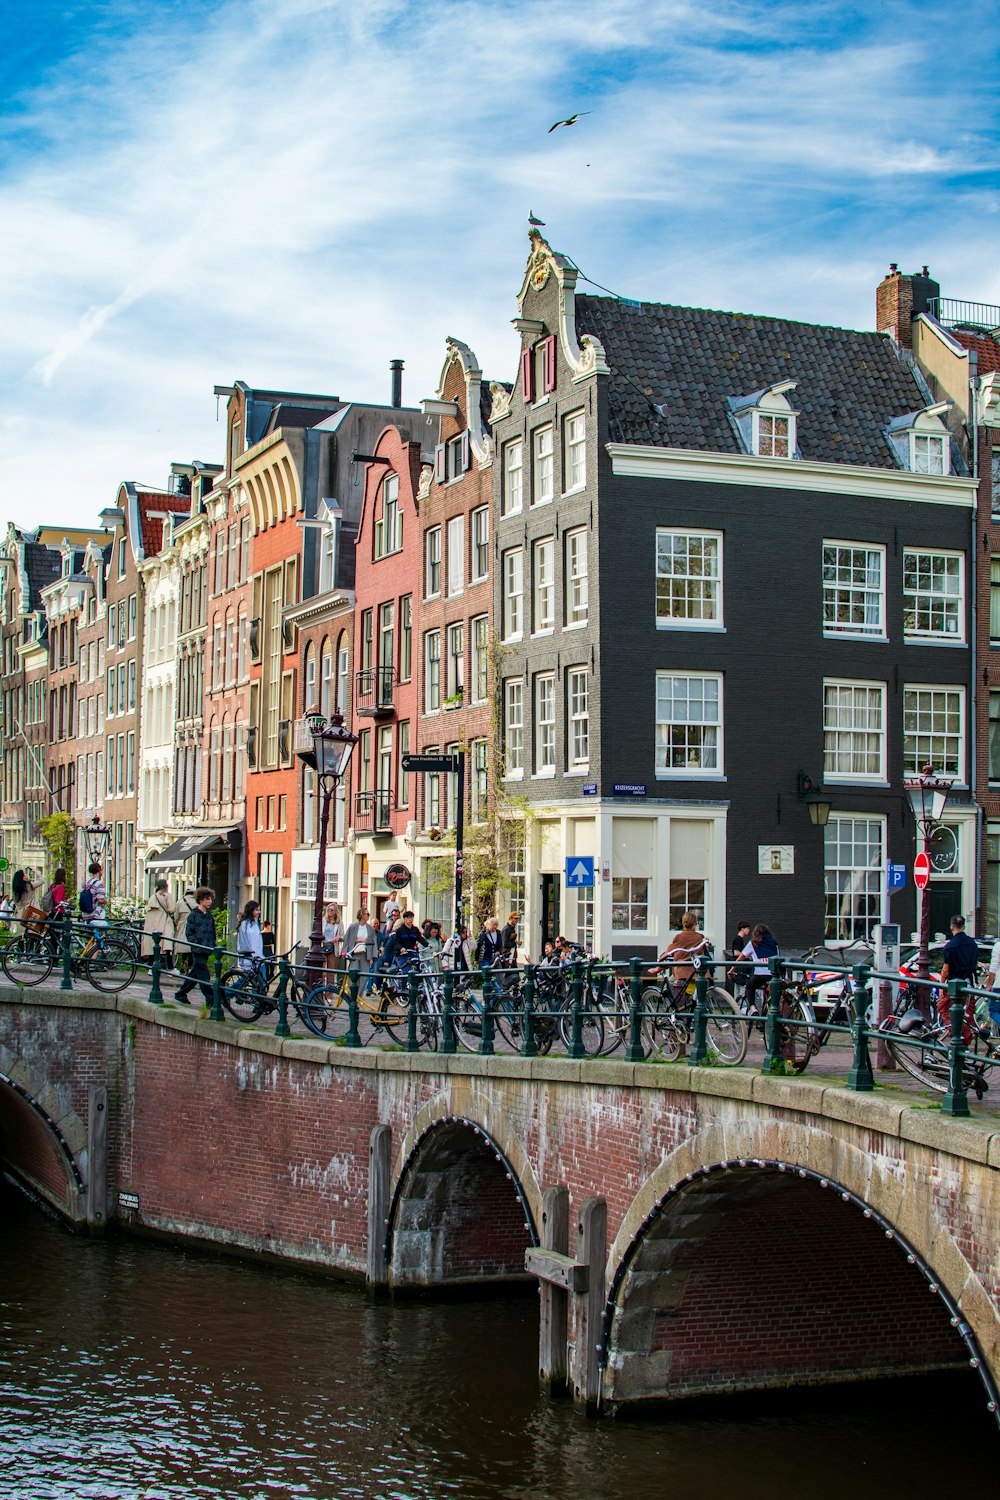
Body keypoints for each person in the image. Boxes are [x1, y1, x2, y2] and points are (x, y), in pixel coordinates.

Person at [938, 914, 981, 1032]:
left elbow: (946, 969)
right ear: (964, 927)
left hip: (954, 985)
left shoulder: (950, 946)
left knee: (945, 1009)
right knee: (967, 1013)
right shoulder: (972, 944)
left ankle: (957, 1036)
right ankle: (965, 1038)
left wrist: (941, 986)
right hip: (969, 984)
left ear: (952, 927)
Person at [174, 887, 216, 1006]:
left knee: (195, 973)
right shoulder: (194, 914)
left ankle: (181, 993)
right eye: (207, 899)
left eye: (211, 899)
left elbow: (212, 931)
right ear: (201, 900)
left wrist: (213, 944)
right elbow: (189, 932)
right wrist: (195, 943)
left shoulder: (209, 915)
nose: (210, 902)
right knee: (204, 974)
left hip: (207, 948)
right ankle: (211, 999)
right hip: (198, 949)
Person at [657, 911, 709, 999]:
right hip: (698, 972)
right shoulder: (700, 937)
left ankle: (671, 1007)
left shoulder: (679, 937)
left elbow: (669, 951)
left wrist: (659, 963)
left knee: (668, 986)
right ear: (695, 923)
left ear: (683, 923)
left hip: (682, 973)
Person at [737, 923, 779, 1011]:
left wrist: (731, 970)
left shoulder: (753, 943)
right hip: (774, 976)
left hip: (760, 976)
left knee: (749, 987)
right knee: (770, 996)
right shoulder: (774, 943)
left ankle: (753, 1007)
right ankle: (767, 1014)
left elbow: (740, 958)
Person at [143, 880, 180, 965]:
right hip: (164, 922)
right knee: (167, 944)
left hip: (153, 923)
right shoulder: (168, 896)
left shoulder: (153, 896)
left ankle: (151, 966)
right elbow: (171, 910)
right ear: (166, 886)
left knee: (154, 944)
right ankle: (170, 967)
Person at [343, 907, 378, 982]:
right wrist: (344, 952)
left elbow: (373, 942)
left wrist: (372, 957)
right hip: (354, 953)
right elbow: (347, 939)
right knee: (353, 973)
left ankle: (360, 993)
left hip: (365, 954)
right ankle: (351, 992)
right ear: (362, 915)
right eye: (367, 914)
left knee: (363, 976)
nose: (368, 916)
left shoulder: (370, 928)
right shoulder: (353, 927)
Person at [236, 900, 265, 973]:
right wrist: (249, 955)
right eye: (257, 910)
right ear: (251, 910)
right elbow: (243, 942)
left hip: (258, 958)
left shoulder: (255, 924)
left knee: (262, 982)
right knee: (243, 981)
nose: (259, 912)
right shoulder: (245, 924)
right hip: (250, 959)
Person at [323, 902, 344, 975]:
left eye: (332, 910)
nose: (330, 911)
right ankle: (321, 985)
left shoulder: (339, 923)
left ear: (335, 912)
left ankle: (330, 986)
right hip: (323, 946)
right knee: (322, 970)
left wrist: (339, 937)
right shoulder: (323, 921)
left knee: (331, 971)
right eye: (328, 910)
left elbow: (343, 936)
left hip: (333, 947)